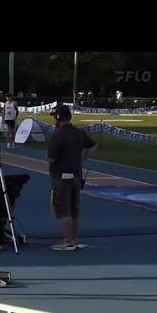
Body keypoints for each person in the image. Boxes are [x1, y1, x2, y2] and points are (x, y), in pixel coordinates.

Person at [46, 105, 97, 251]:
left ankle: (68, 240)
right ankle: (74, 238)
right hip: (76, 175)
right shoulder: (79, 133)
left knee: (63, 209)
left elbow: (51, 158)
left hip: (62, 177)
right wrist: (82, 158)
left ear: (58, 118)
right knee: (74, 208)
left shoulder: (58, 136)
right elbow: (93, 146)